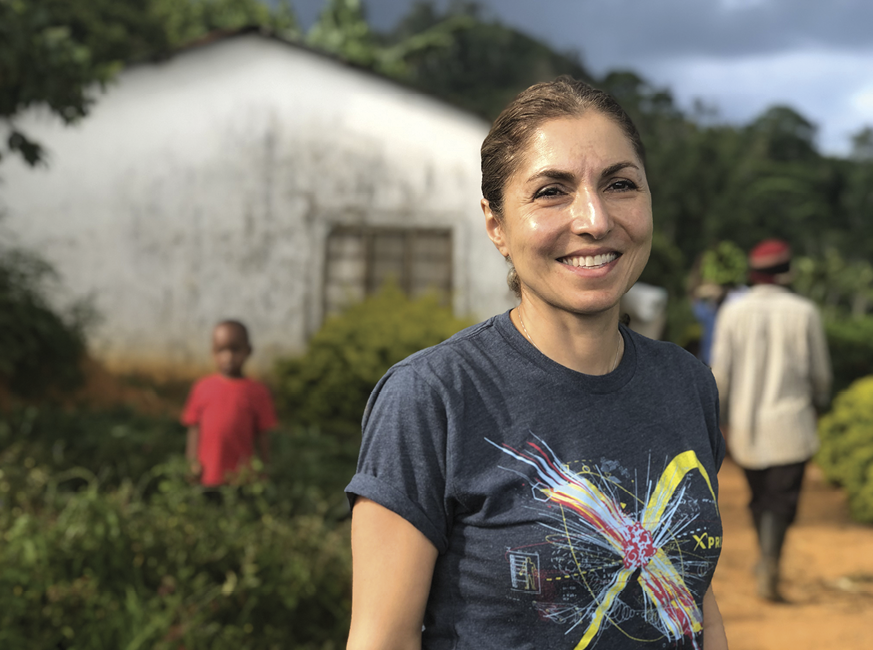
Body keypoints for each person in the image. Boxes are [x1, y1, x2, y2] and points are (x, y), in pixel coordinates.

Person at [345, 77, 728, 650]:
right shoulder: (433, 397)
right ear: (496, 223)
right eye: (552, 191)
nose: (594, 219)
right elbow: (382, 639)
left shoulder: (685, 382)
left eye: (620, 184)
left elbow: (692, 598)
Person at [710, 239, 831, 602]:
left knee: (759, 497)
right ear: (786, 272)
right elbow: (820, 374)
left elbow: (720, 374)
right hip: (791, 426)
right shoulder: (804, 311)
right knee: (783, 500)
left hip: (746, 426)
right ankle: (770, 561)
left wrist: (720, 418)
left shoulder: (733, 311)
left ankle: (766, 559)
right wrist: (820, 401)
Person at [182, 320, 277, 487]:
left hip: (242, 478)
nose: (228, 357)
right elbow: (194, 427)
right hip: (206, 476)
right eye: (221, 350)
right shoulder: (202, 387)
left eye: (235, 349)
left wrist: (264, 468)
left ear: (248, 351)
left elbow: (263, 435)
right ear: (213, 352)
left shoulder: (257, 392)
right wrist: (191, 462)